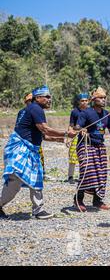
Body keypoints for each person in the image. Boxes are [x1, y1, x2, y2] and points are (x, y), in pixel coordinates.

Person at [0, 86, 76, 220]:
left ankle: (38, 209)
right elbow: (45, 129)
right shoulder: (36, 109)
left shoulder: (26, 110)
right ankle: (37, 209)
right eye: (46, 97)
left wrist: (60, 139)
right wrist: (66, 133)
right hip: (21, 150)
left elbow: (41, 135)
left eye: (49, 96)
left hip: (24, 150)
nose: (49, 99)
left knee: (30, 179)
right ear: (37, 98)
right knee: (15, 182)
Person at [73, 87, 110, 212]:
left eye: (104, 98)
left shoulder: (107, 114)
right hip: (85, 145)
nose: (103, 100)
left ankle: (97, 201)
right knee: (87, 172)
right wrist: (81, 129)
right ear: (93, 100)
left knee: (101, 174)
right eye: (100, 98)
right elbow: (77, 126)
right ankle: (78, 198)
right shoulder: (86, 113)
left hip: (100, 146)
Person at [67, 93, 90, 184]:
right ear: (79, 102)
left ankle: (83, 176)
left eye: (86, 100)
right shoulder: (75, 112)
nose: (84, 102)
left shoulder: (91, 111)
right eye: (82, 101)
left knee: (86, 157)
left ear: (88, 101)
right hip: (76, 136)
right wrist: (69, 138)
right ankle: (70, 176)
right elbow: (71, 126)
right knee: (73, 157)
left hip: (87, 137)